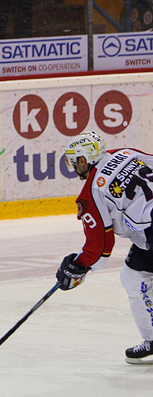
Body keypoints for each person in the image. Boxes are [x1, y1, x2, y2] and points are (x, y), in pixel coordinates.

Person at [56, 131, 153, 365]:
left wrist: (77, 265)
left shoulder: (92, 192)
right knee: (133, 275)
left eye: (74, 160)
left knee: (133, 277)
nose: (72, 166)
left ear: (83, 160)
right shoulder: (125, 153)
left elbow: (99, 245)